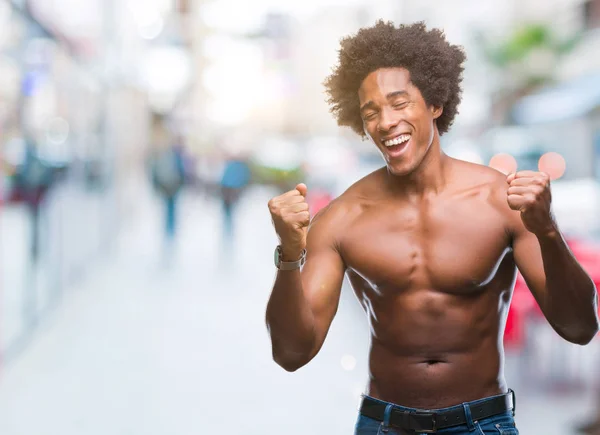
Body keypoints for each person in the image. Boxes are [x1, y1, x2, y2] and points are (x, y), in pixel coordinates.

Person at [264, 21, 599, 435]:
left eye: (399, 103)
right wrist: (289, 256)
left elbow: (580, 327)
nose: (386, 122)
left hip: (482, 422)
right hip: (384, 424)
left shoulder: (500, 200)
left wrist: (548, 231)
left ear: (435, 104)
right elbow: (292, 352)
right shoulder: (342, 218)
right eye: (371, 112)